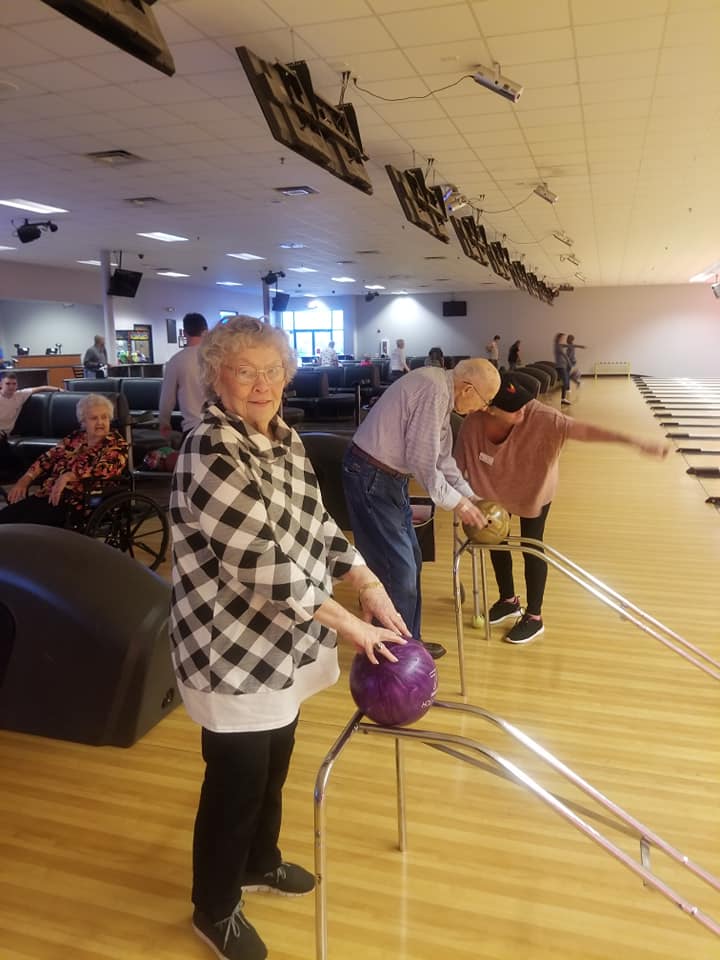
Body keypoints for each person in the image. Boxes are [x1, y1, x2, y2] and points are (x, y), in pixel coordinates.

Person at [168, 315, 410, 960]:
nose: (262, 384)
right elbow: (262, 566)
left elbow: (318, 527)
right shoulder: (211, 449)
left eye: (272, 370)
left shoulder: (284, 439)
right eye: (244, 371)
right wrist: (353, 624)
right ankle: (214, 907)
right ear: (216, 377)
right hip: (230, 648)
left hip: (287, 643)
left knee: (275, 759)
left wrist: (368, 581)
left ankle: (260, 860)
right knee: (237, 779)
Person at [454, 373, 669, 645]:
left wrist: (635, 442)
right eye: (513, 408)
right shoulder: (473, 425)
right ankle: (508, 600)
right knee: (497, 542)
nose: (522, 410)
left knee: (532, 546)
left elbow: (587, 431)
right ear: (489, 408)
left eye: (523, 403)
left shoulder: (544, 419)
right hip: (494, 490)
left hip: (534, 487)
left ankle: (534, 616)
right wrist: (463, 502)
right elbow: (455, 467)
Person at [342, 358, 501, 660]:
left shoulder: (441, 392)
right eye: (485, 400)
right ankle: (395, 654)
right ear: (468, 388)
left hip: (387, 478)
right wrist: (460, 505)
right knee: (397, 571)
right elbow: (424, 465)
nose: (483, 408)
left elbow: (443, 461)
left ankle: (407, 644)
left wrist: (473, 498)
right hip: (370, 476)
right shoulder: (433, 390)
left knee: (411, 560)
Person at [0, 393, 128, 526]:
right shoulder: (75, 438)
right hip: (50, 495)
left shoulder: (116, 444)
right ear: (83, 421)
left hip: (82, 501)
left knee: (23, 527)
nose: (100, 422)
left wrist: (69, 476)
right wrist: (26, 479)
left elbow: (105, 469)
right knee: (5, 518)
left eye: (104, 417)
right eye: (94, 418)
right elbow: (48, 458)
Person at [0, 372, 62, 477]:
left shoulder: (20, 395)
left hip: (5, 434)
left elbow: (41, 388)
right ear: (1, 384)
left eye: (14, 384)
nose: (11, 386)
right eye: (8, 384)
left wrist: (59, 390)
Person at [159, 312, 208, 437]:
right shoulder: (218, 357)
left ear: (184, 333)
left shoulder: (176, 360)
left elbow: (167, 397)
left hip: (192, 427)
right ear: (206, 331)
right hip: (221, 425)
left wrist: (164, 421)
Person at [553, 332, 572, 405]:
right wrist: (569, 363)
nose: (564, 339)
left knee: (565, 382)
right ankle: (562, 398)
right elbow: (565, 356)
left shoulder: (558, 345)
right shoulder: (558, 346)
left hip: (562, 366)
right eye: (563, 338)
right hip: (561, 367)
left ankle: (563, 398)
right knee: (565, 382)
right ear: (559, 338)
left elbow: (567, 345)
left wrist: (579, 346)